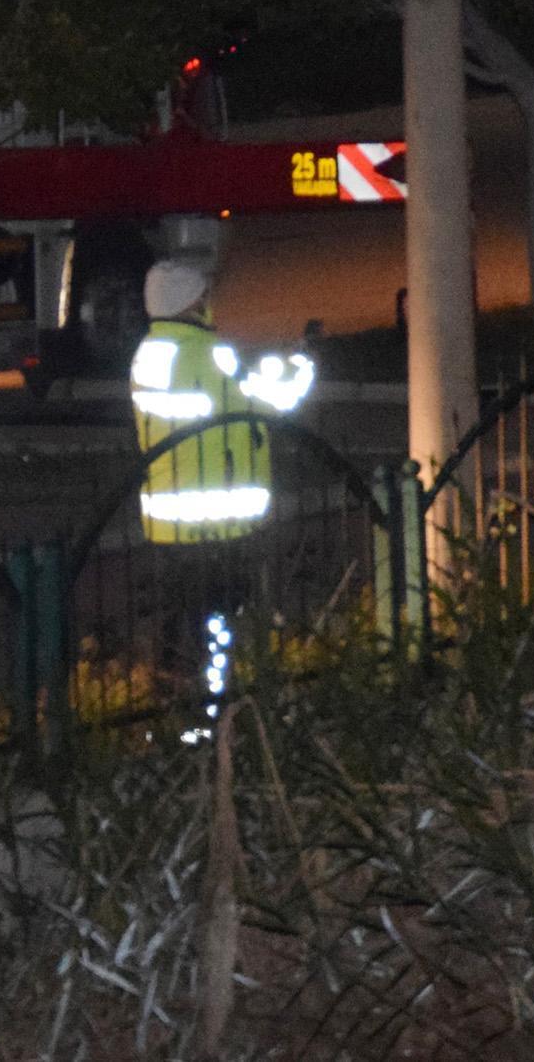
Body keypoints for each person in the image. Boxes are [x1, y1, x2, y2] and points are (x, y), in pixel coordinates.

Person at [128, 260, 310, 737]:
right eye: (202, 295)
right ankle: (214, 724)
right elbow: (261, 404)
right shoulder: (206, 353)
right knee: (220, 625)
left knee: (179, 626)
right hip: (217, 520)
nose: (208, 302)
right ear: (189, 302)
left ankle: (172, 722)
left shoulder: (151, 352)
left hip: (170, 520)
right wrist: (297, 366)